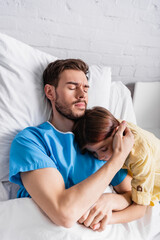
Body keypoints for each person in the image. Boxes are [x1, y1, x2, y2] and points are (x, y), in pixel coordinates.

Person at [9, 59, 134, 231]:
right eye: (72, 87)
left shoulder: (99, 141)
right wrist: (117, 160)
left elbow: (138, 198)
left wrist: (112, 201)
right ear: (50, 92)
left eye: (85, 88)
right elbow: (64, 214)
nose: (82, 94)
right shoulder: (31, 140)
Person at [73, 106, 160, 222]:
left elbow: (140, 209)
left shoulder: (139, 155)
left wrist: (106, 219)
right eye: (94, 153)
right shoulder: (110, 125)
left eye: (104, 149)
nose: (100, 157)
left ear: (117, 134)